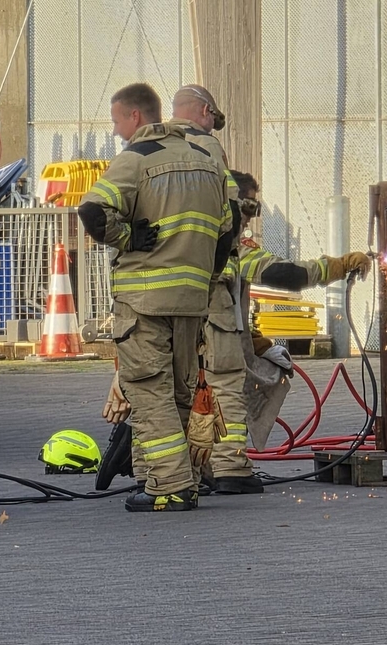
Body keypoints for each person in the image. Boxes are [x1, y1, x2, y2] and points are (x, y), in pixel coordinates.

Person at [96, 171, 371, 493]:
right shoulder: (223, 246)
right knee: (224, 392)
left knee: (162, 397)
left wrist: (254, 341)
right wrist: (340, 265)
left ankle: (157, 473)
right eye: (249, 207)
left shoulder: (168, 241)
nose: (251, 218)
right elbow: (286, 273)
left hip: (166, 332)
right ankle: (229, 468)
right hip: (211, 335)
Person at [79, 82, 236, 513]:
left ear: (136, 117)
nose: (116, 131)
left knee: (150, 392)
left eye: (117, 122)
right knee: (182, 393)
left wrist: (127, 237)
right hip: (192, 301)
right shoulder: (207, 161)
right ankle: (171, 479)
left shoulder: (136, 159)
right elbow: (228, 228)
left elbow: (91, 211)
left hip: (144, 301)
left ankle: (171, 486)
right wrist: (207, 278)